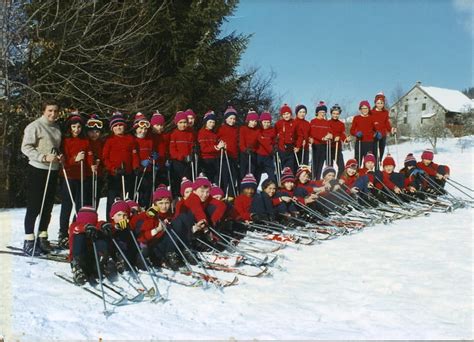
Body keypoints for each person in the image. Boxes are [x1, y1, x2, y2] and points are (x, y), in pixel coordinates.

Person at [21, 100, 62, 255]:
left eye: (56, 111)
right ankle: (29, 239)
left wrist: (59, 157)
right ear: (43, 110)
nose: (53, 114)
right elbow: (25, 147)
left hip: (53, 170)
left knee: (47, 206)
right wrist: (43, 157)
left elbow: (56, 148)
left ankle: (42, 237)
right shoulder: (35, 126)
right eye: (50, 110)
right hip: (38, 169)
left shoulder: (57, 128)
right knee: (34, 205)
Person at [58, 113, 92, 249]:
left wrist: (92, 166)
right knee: (67, 205)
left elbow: (89, 157)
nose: (76, 129)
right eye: (74, 126)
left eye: (78, 127)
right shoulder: (65, 141)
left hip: (82, 177)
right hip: (69, 175)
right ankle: (62, 233)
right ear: (69, 127)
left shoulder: (85, 141)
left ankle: (77, 229)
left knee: (80, 206)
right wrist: (74, 159)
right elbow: (64, 161)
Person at [102, 112, 139, 220]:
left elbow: (134, 154)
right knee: (113, 199)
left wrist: (136, 166)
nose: (118, 127)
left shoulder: (130, 139)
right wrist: (114, 168)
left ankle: (129, 220)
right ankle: (111, 221)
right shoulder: (110, 141)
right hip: (115, 175)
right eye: (116, 126)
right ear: (112, 128)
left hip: (128, 174)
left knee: (128, 198)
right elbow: (105, 158)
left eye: (120, 125)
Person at [68, 206, 111, 284]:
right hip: (80, 257)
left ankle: (100, 264)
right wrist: (85, 228)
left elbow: (99, 224)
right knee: (80, 236)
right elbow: (76, 228)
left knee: (102, 235)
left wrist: (103, 225)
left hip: (93, 258)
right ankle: (78, 267)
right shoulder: (74, 225)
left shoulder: (95, 226)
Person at [169, 111, 195, 196]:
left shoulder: (190, 133)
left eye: (185, 122)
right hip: (177, 162)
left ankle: (187, 196)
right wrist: (180, 157)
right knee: (178, 181)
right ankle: (177, 197)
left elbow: (192, 146)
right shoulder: (174, 134)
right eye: (180, 122)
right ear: (176, 123)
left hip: (188, 161)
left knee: (187, 180)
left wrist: (192, 154)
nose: (183, 125)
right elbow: (172, 150)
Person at [132, 112, 154, 208]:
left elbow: (151, 153)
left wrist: (153, 158)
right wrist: (138, 165)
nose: (143, 131)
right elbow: (133, 155)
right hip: (138, 171)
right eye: (141, 128)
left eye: (145, 129)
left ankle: (146, 208)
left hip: (148, 170)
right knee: (139, 192)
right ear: (136, 129)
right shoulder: (133, 141)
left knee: (148, 192)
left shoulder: (149, 141)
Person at [197, 110, 226, 184]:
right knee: (210, 179)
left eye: (213, 122)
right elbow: (203, 149)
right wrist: (216, 147)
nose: (212, 124)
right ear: (205, 122)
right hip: (206, 160)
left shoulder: (214, 133)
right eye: (210, 122)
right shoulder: (202, 133)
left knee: (216, 179)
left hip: (215, 159)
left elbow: (217, 145)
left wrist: (222, 146)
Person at [217, 106, 239, 198]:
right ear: (226, 119)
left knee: (233, 175)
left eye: (234, 119)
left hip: (234, 155)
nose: (232, 120)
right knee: (225, 175)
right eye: (230, 118)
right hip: (225, 155)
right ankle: (224, 193)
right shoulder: (221, 128)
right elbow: (217, 138)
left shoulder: (236, 129)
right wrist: (220, 144)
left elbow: (237, 141)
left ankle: (231, 194)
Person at [86, 114, 105, 211]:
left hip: (98, 174)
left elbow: (104, 157)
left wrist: (99, 161)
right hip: (87, 175)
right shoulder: (86, 142)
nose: (94, 134)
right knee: (86, 201)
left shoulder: (101, 143)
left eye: (97, 132)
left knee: (95, 199)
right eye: (92, 132)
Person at [350, 100, 378, 167]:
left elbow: (376, 129)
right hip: (360, 142)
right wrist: (356, 133)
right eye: (363, 108)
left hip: (369, 143)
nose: (365, 110)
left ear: (369, 109)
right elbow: (352, 130)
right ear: (360, 109)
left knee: (368, 162)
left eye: (366, 108)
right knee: (357, 160)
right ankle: (357, 175)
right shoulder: (356, 118)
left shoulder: (372, 118)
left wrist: (377, 134)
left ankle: (367, 176)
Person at [309, 101, 333, 180]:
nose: (323, 114)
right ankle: (312, 178)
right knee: (314, 164)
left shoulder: (326, 122)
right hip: (316, 145)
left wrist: (330, 135)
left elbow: (330, 132)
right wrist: (322, 138)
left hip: (324, 146)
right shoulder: (313, 121)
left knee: (320, 164)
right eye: (321, 112)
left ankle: (318, 179)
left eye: (324, 112)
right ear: (317, 112)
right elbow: (313, 133)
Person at [371, 92, 396, 163]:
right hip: (374, 136)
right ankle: (374, 168)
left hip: (383, 136)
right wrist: (374, 132)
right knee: (374, 154)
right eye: (378, 103)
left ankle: (379, 166)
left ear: (383, 104)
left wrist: (391, 129)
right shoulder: (371, 112)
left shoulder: (385, 112)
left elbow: (386, 123)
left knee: (381, 153)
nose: (380, 105)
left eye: (381, 103)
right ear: (375, 103)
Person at [255, 111, 276, 185]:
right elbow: (262, 141)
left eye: (268, 122)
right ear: (261, 122)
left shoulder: (272, 131)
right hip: (259, 155)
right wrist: (271, 149)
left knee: (271, 174)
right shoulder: (259, 131)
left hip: (268, 156)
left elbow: (273, 142)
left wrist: (274, 146)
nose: (266, 124)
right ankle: (254, 190)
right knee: (257, 174)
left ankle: (271, 188)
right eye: (265, 122)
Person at [275, 104, 297, 172]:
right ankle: (281, 181)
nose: (286, 116)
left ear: (290, 114)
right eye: (284, 114)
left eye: (287, 113)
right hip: (281, 149)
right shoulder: (279, 123)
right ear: (282, 115)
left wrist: (297, 146)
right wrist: (275, 145)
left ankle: (290, 181)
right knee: (282, 168)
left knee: (290, 169)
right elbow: (274, 135)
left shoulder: (294, 123)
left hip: (290, 149)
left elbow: (298, 135)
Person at [239, 109, 260, 179]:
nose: (253, 123)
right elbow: (241, 143)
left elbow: (258, 142)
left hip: (253, 153)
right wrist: (245, 149)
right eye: (252, 121)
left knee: (252, 172)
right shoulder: (243, 129)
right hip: (244, 153)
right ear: (248, 121)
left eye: (255, 121)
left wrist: (255, 149)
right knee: (243, 173)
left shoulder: (257, 130)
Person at [328, 104, 348, 177]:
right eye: (334, 113)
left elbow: (342, 134)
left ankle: (338, 180)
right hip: (329, 148)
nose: (335, 115)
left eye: (337, 114)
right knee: (330, 167)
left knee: (341, 166)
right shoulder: (328, 123)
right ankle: (330, 181)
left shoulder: (341, 124)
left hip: (337, 148)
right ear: (331, 113)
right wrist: (333, 138)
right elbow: (328, 133)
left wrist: (345, 139)